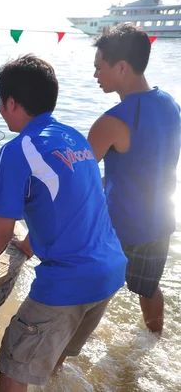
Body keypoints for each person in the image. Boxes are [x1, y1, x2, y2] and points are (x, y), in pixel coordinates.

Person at [0, 55, 127, 391]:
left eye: (1, 102)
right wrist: (30, 244)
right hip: (109, 272)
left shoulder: (19, 149)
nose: (2, 109)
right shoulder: (75, 138)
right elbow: (74, 202)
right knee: (52, 363)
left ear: (11, 103)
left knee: (14, 373)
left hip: (67, 284)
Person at [87, 23, 181, 334]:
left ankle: (59, 365)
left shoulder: (112, 122)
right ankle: (154, 337)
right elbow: (147, 163)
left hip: (124, 227)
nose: (95, 75)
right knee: (148, 287)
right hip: (161, 221)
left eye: (100, 67)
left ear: (122, 67)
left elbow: (77, 181)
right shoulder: (171, 103)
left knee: (87, 296)